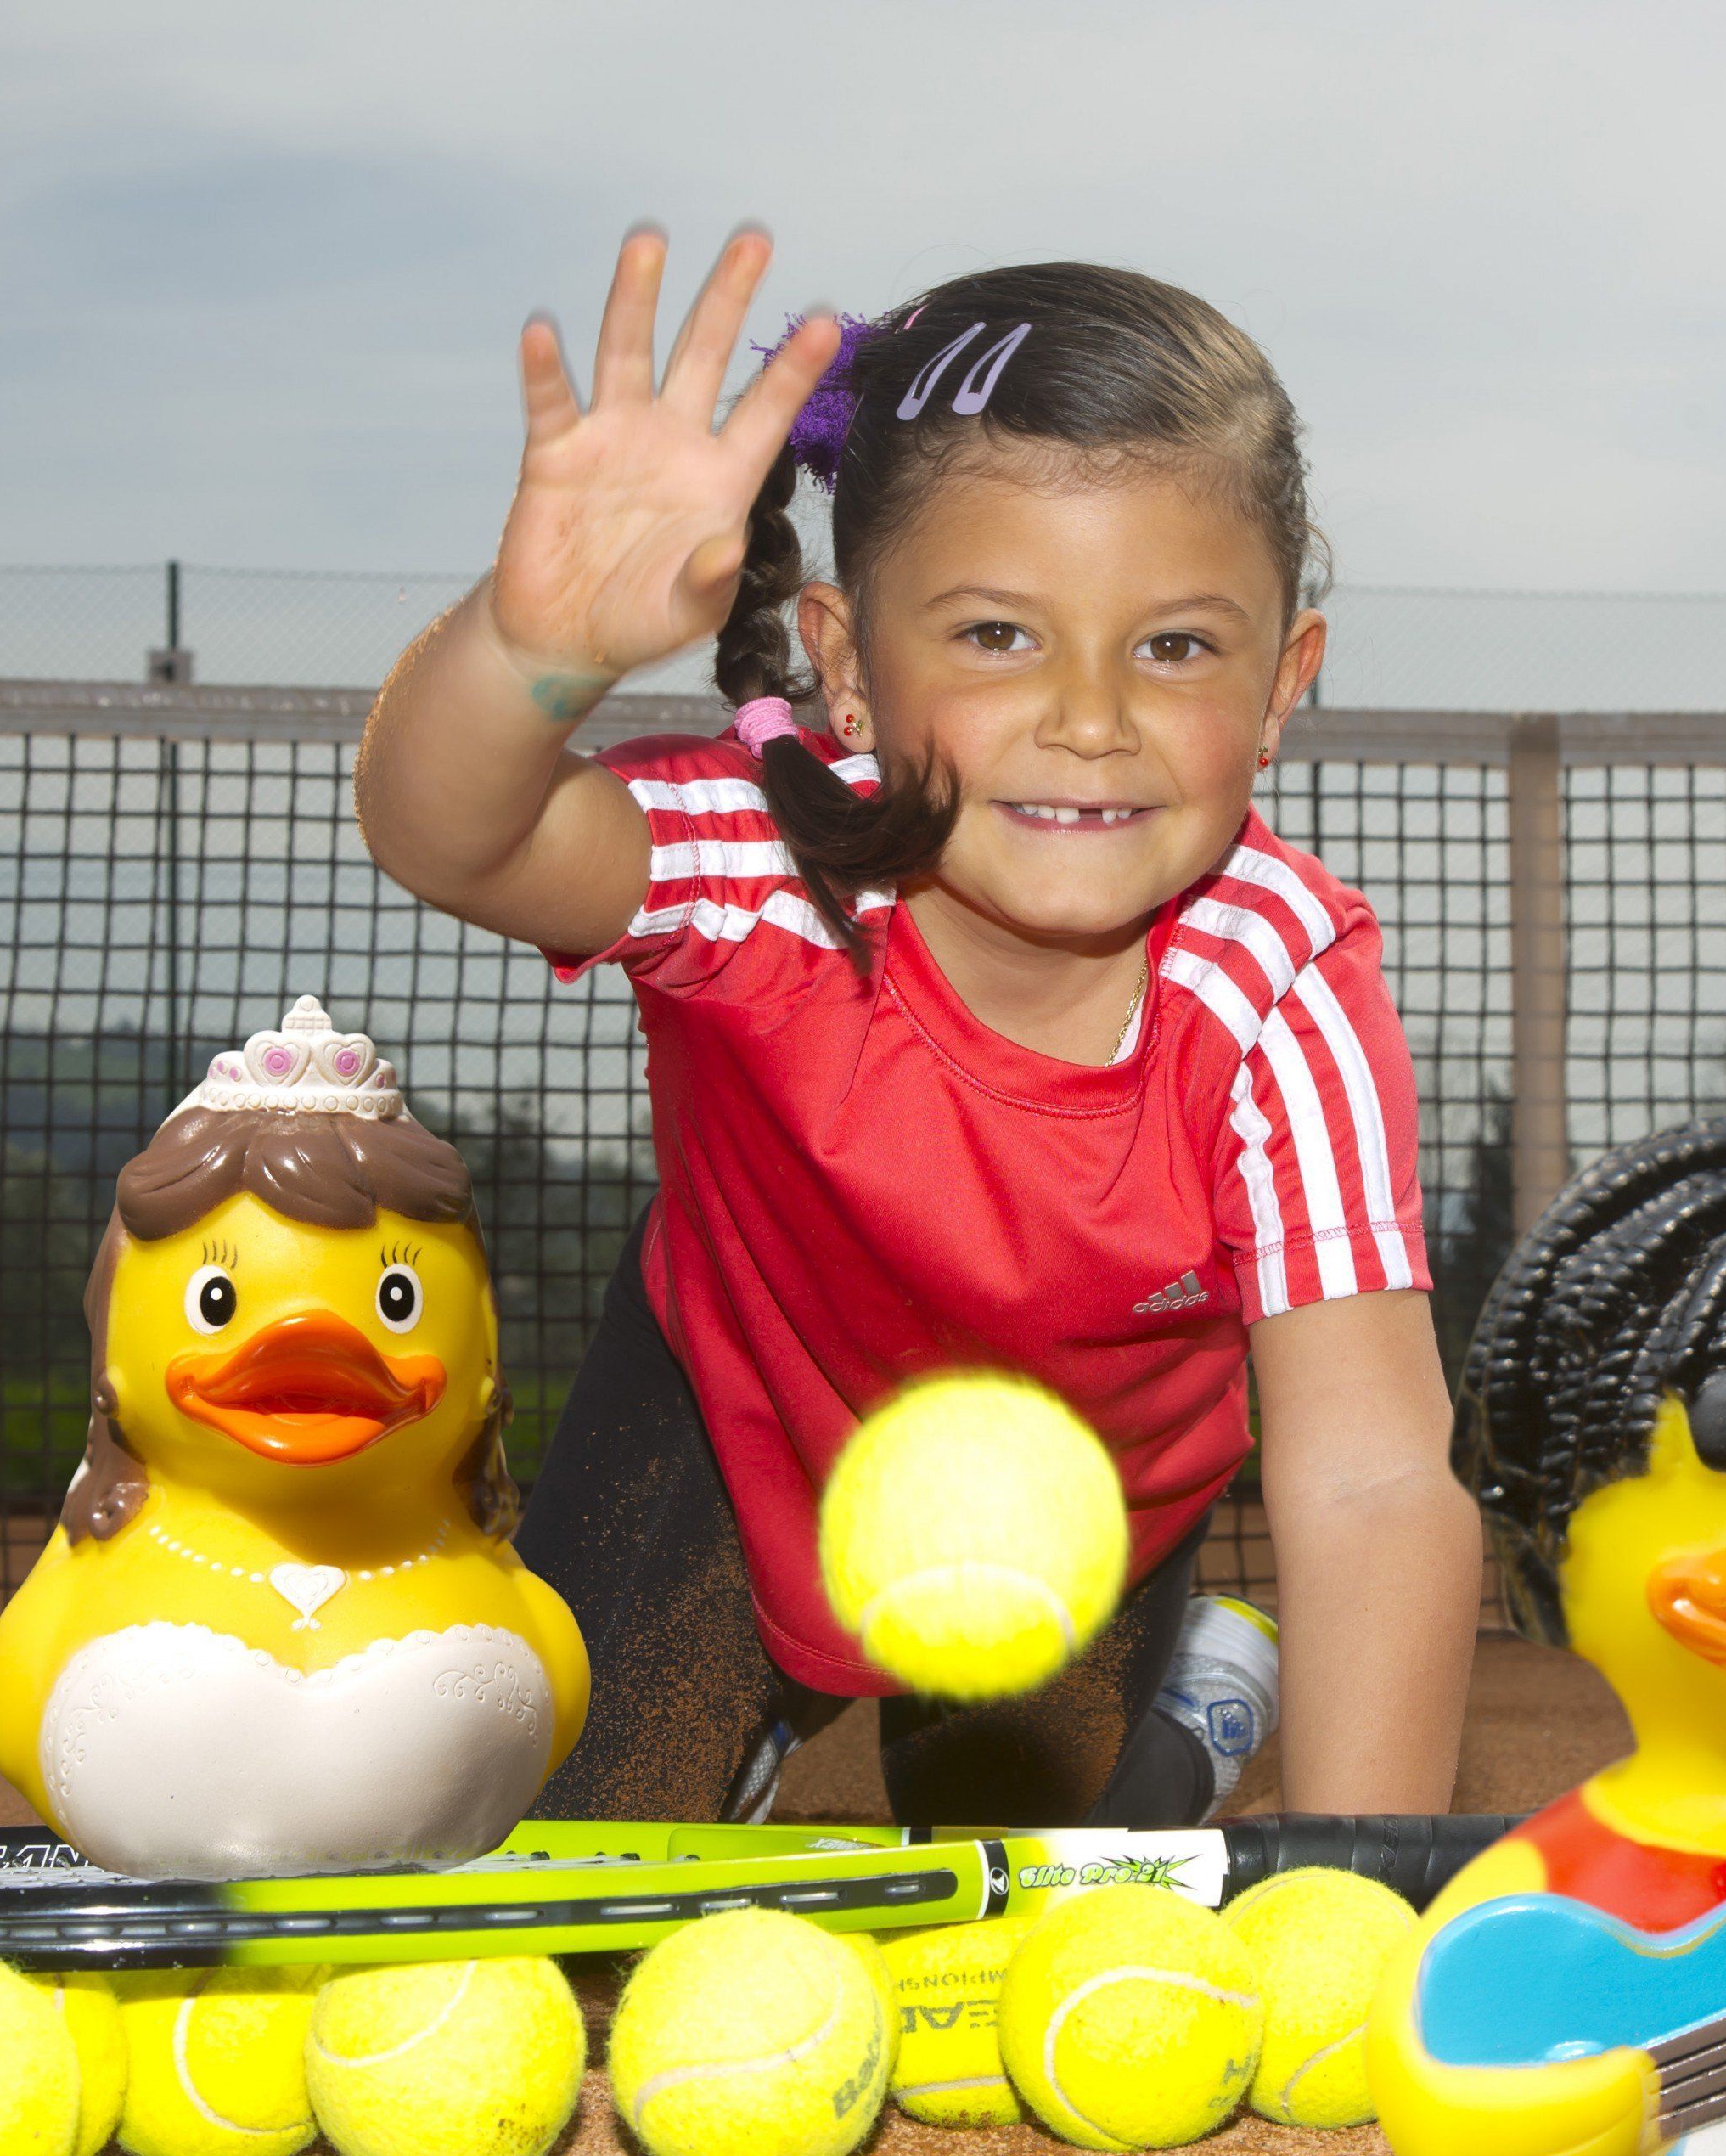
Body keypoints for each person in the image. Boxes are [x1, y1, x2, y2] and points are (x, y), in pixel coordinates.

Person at [357, 228, 1481, 1827]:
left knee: (1047, 1912)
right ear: (844, 670)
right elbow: (443, 837)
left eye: (1174, 645)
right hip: (726, 1421)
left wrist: (1372, 1895)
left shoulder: (1279, 983)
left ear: (1285, 677)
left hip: (1072, 1510)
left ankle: (1182, 1728)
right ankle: (712, 1741)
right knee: (557, 1895)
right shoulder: (762, 872)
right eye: (996, 633)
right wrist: (532, 648)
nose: (1090, 720)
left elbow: (1373, 1476)